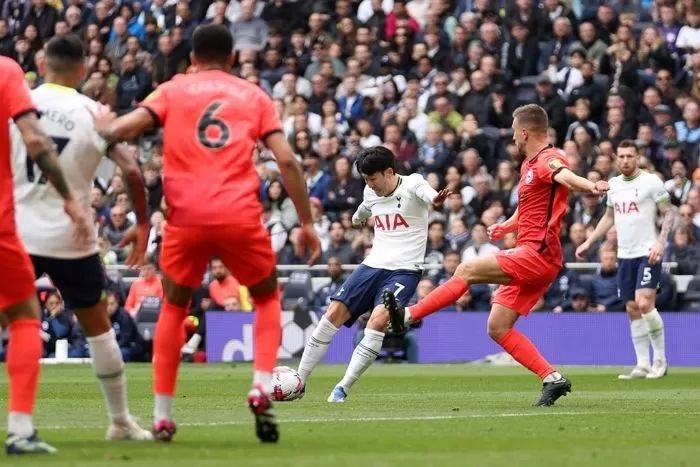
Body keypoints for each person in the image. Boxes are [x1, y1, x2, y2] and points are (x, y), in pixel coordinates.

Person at [92, 25, 321, 443]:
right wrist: (305, 222)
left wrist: (108, 123)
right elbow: (286, 161)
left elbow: (122, 131)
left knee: (175, 309)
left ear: (192, 58)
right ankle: (259, 384)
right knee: (268, 297)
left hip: (184, 218)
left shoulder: (172, 90)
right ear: (233, 58)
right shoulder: (254, 96)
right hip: (240, 216)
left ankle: (162, 416)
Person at [383, 104, 609, 407]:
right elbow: (529, 206)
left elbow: (566, 176)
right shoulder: (528, 166)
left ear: (525, 132)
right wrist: (507, 225)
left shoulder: (547, 159)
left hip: (538, 254)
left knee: (465, 270)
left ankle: (409, 316)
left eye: (515, 131)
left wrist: (592, 185)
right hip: (534, 254)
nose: (513, 137)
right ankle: (551, 378)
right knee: (497, 327)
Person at [11, 36, 153, 442]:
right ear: (83, 69)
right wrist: (142, 224)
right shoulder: (93, 112)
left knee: (17, 324)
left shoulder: (16, 105)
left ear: (41, 61)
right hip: (72, 237)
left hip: (18, 232)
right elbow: (132, 171)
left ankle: (21, 423)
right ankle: (121, 420)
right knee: (98, 328)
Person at [296, 146, 449, 402]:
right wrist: (356, 218)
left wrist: (436, 199)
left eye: (373, 178)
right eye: (365, 180)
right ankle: (299, 380)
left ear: (389, 172)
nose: (370, 184)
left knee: (376, 321)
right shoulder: (370, 191)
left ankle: (342, 388)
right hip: (373, 265)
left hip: (404, 269)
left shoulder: (412, 185)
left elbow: (429, 194)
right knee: (332, 314)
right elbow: (365, 209)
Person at [1, 55, 91, 455]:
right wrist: (69, 198)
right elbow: (36, 139)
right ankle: (19, 431)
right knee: (23, 318)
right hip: (4, 221)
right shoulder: (6, 71)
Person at [576, 140, 676, 379]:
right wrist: (590, 242)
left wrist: (661, 242)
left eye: (630, 156)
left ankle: (660, 360)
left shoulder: (651, 182)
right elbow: (609, 217)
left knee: (644, 303)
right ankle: (642, 364)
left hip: (648, 252)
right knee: (632, 308)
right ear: (615, 159)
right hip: (625, 255)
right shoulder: (613, 185)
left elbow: (668, 212)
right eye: (620, 156)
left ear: (638, 157)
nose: (625, 160)